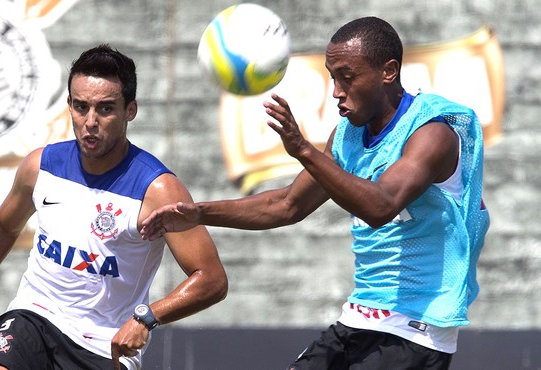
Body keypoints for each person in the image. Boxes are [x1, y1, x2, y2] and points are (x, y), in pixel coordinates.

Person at [141, 16, 490, 370]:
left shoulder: (432, 134)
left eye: (347, 77)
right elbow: (287, 204)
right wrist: (200, 213)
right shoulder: (348, 136)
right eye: (332, 77)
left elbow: (381, 206)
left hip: (417, 332)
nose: (337, 91)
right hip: (360, 319)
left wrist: (303, 150)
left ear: (389, 71)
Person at [0, 44, 228, 370]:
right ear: (69, 105)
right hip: (34, 315)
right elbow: (2, 227)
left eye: (105, 109)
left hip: (103, 345)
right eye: (81, 107)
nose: (90, 122)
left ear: (131, 110)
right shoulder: (41, 166)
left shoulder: (158, 189)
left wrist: (146, 318)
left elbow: (211, 279)